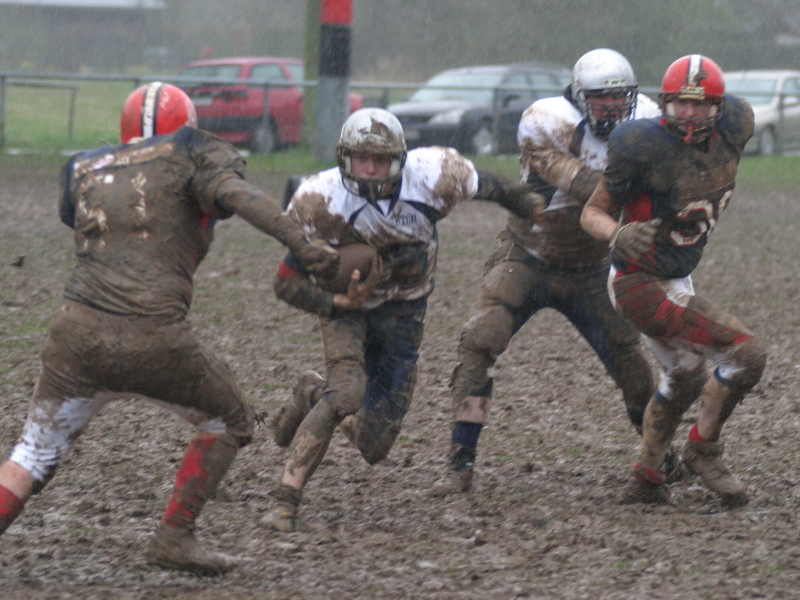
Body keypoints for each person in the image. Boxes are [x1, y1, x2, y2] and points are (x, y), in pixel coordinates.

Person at [0, 82, 339, 575]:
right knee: (230, 419)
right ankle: (174, 537)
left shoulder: (82, 165)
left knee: (31, 455)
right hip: (151, 334)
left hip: (76, 335)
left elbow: (76, 215)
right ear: (189, 123)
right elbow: (239, 196)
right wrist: (303, 245)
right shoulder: (191, 153)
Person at [262, 107, 547, 531]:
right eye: (362, 159)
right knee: (345, 394)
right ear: (343, 158)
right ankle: (285, 500)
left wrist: (527, 203)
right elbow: (285, 283)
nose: (370, 170)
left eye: (381, 160)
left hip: (406, 312)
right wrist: (336, 300)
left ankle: (311, 393)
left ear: (400, 160)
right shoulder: (319, 200)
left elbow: (488, 185)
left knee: (375, 445)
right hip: (347, 311)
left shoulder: (433, 175)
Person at [432, 48, 664, 496]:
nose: (612, 106)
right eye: (601, 98)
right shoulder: (547, 120)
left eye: (619, 97)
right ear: (579, 98)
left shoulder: (647, 119)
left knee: (633, 369)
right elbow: (590, 188)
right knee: (480, 342)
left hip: (592, 266)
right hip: (529, 254)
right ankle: (460, 461)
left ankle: (659, 458)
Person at [580, 55, 767, 507]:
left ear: (719, 107)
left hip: (677, 274)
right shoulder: (641, 143)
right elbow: (592, 212)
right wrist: (618, 233)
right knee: (746, 355)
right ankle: (703, 450)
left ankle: (647, 477)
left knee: (684, 379)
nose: (689, 112)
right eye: (681, 102)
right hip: (638, 282)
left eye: (700, 103)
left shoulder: (737, 123)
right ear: (664, 102)